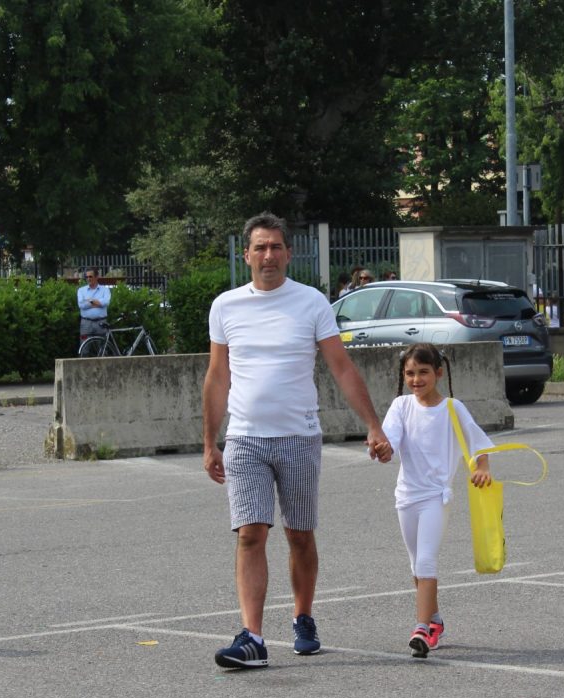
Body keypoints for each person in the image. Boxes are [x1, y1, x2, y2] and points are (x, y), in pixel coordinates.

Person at [203, 212, 392, 669]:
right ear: (246, 255)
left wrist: (373, 424)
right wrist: (210, 441)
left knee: (300, 535)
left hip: (299, 437)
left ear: (288, 253)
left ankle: (303, 617)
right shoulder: (226, 306)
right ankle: (252, 637)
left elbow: (341, 367)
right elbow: (217, 376)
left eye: (276, 247)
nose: (268, 255)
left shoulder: (311, 302)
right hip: (245, 438)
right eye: (260, 247)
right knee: (250, 533)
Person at [381, 344, 492, 657]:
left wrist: (482, 467)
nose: (416, 379)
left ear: (438, 373)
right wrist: (382, 448)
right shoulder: (401, 406)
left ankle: (421, 629)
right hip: (406, 497)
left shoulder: (453, 408)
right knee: (416, 565)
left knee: (426, 562)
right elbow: (389, 441)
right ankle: (435, 621)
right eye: (410, 373)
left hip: (435, 497)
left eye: (423, 372)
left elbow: (477, 442)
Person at [77, 268, 111, 342]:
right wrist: (98, 303)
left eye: (90, 276)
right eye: (86, 277)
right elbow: (81, 305)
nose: (88, 279)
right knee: (84, 347)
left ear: (96, 277)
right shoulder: (81, 290)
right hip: (86, 323)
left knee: (102, 347)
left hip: (101, 323)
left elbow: (106, 303)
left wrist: (89, 300)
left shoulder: (105, 290)